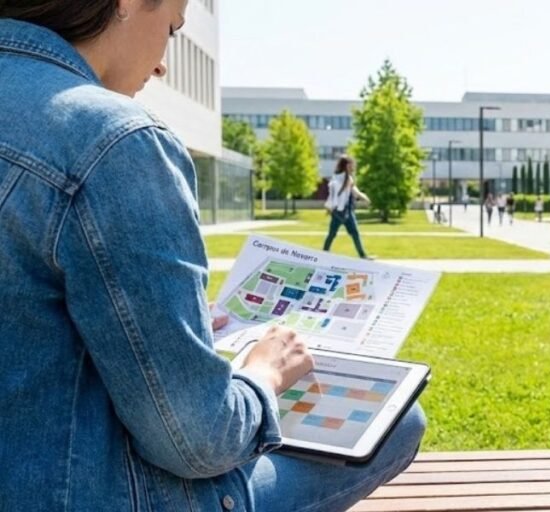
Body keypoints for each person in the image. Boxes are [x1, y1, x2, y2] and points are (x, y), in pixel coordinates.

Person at [0, 5, 425, 512]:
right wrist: (263, 373)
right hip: (85, 493)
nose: (161, 66)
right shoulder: (113, 139)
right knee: (400, 422)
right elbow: (196, 441)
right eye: (173, 28)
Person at [324, 155, 372, 259]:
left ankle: (324, 254)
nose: (353, 166)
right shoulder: (342, 178)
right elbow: (355, 193)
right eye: (351, 164)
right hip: (342, 212)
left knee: (334, 234)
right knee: (349, 234)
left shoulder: (339, 178)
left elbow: (353, 193)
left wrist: (329, 207)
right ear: (346, 165)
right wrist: (365, 198)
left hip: (341, 212)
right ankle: (363, 256)